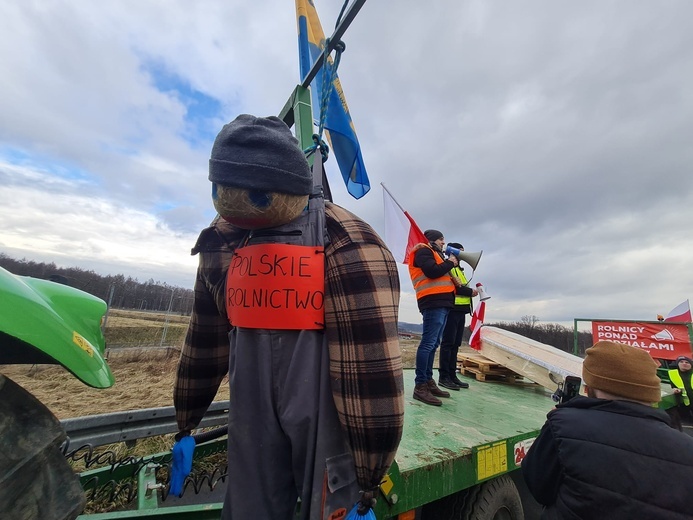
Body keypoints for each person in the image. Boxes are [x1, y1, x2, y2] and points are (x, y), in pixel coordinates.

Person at [172, 115, 404, 519]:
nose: (233, 208)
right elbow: (204, 339)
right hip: (249, 417)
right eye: (221, 194)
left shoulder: (349, 243)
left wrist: (368, 481)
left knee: (327, 499)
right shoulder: (222, 240)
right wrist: (186, 420)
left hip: (329, 416)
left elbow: (372, 373)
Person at [522, 340, 693, 520]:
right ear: (651, 393)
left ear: (590, 388)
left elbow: (539, 489)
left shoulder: (563, 426)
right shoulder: (687, 449)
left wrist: (555, 423)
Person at [408, 229, 458, 406]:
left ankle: (428, 382)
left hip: (441, 303)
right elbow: (431, 271)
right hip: (432, 302)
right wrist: (450, 263)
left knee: (434, 343)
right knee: (428, 343)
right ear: (432, 240)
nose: (444, 243)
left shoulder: (435, 254)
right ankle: (420, 386)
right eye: (441, 239)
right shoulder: (423, 251)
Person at [437, 242, 477, 391]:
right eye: (460, 252)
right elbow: (455, 287)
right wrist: (470, 292)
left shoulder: (459, 269)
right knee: (448, 344)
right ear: (452, 252)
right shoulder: (449, 267)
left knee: (455, 344)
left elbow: (461, 286)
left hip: (461, 310)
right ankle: (444, 376)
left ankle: (452, 375)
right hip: (452, 309)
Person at [668, 355, 693, 425]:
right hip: (683, 403)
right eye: (681, 362)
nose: (684, 364)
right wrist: (674, 389)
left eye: (687, 362)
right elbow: (672, 386)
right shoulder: (673, 373)